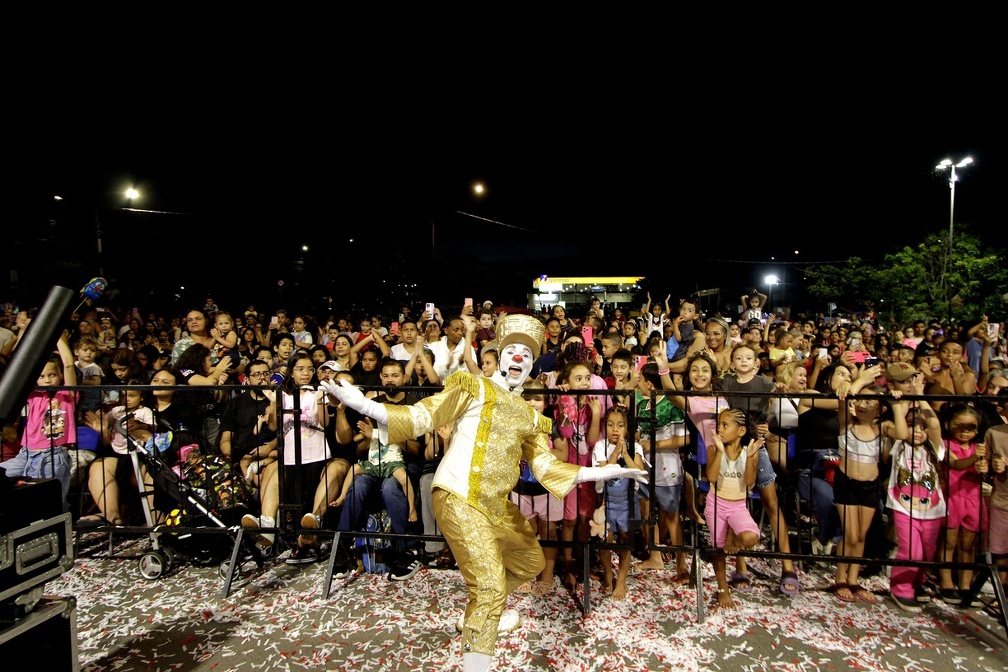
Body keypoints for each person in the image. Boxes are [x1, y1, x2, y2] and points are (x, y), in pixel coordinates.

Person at [320, 314, 645, 672]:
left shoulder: (532, 417)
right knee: (491, 588)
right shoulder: (472, 386)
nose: (519, 358)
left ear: (533, 363)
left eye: (526, 353)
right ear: (501, 358)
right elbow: (422, 416)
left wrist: (602, 470)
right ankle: (479, 647)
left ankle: (478, 609)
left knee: (530, 562)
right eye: (512, 351)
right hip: (458, 494)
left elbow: (547, 468)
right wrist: (363, 404)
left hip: (494, 507)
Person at [242, 351, 331, 563]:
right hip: (291, 454)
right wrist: (273, 403)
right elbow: (273, 426)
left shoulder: (317, 392)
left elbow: (325, 423)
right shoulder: (282, 394)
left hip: (315, 452)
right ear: (291, 371)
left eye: (310, 369)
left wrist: (320, 401)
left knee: (309, 501)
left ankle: (309, 543)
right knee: (294, 498)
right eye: (300, 369)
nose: (306, 373)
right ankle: (271, 528)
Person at [831, 368, 907, 605]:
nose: (862, 404)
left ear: (880, 408)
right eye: (860, 399)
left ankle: (854, 579)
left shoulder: (881, 428)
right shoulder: (846, 424)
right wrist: (860, 381)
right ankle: (840, 577)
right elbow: (844, 399)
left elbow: (903, 433)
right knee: (850, 533)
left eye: (868, 401)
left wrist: (895, 404)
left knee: (861, 535)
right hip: (847, 483)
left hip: (870, 486)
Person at [331, 358, 421, 523]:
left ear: (404, 378)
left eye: (394, 375)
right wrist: (367, 438)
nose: (390, 380)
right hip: (373, 462)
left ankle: (404, 544)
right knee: (358, 484)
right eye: (386, 376)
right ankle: (345, 537)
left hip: (403, 464)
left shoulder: (414, 406)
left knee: (389, 488)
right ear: (380, 377)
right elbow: (361, 450)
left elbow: (417, 450)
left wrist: (389, 432)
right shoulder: (372, 405)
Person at [0, 330, 78, 510]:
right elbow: (20, 369)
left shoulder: (66, 394)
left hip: (51, 455)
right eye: (42, 376)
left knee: (50, 501)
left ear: (59, 376)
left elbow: (68, 365)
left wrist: (56, 333)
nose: (48, 380)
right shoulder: (32, 395)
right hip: (25, 454)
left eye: (52, 375)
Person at [881, 396, 945, 613]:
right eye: (912, 426)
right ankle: (901, 586)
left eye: (922, 427)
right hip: (903, 507)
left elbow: (935, 424)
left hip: (932, 510)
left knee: (927, 552)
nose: (918, 431)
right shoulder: (898, 444)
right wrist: (904, 401)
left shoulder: (934, 448)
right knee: (910, 551)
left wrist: (921, 396)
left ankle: (918, 581)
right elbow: (898, 426)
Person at [633, 363, 690, 581]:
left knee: (672, 515)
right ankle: (654, 555)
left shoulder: (672, 405)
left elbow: (684, 438)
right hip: (645, 467)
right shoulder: (641, 406)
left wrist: (654, 444)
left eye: (639, 379)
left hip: (668, 468)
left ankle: (681, 563)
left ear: (649, 383)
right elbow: (639, 434)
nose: (637, 383)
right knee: (647, 512)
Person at [706, 407, 765, 610]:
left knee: (749, 538)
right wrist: (720, 452)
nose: (720, 429)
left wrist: (750, 458)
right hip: (716, 503)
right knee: (718, 548)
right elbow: (712, 478)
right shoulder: (713, 448)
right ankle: (723, 588)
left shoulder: (749, 452)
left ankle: (733, 530)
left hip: (738, 505)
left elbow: (749, 482)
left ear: (741, 431)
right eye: (719, 425)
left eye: (725, 425)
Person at [509, 379, 563, 593]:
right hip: (522, 488)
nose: (532, 403)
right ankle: (528, 570)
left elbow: (563, 453)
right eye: (528, 398)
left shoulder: (551, 424)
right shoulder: (514, 424)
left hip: (547, 489)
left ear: (546, 402)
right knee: (527, 532)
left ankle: (548, 573)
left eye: (537, 399)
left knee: (549, 531)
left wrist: (538, 452)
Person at [79, 381, 155, 526]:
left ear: (142, 397)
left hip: (138, 453)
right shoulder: (117, 411)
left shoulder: (144, 411)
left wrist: (138, 425)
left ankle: (153, 522)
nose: (127, 399)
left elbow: (152, 428)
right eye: (123, 396)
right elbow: (106, 428)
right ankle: (111, 516)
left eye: (132, 395)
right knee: (100, 466)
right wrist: (103, 427)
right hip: (116, 451)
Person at [936, 403, 989, 605]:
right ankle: (946, 583)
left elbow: (985, 471)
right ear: (949, 424)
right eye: (960, 426)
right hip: (952, 496)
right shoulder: (946, 445)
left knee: (968, 546)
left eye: (971, 427)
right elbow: (956, 464)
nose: (966, 432)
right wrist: (976, 458)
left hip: (973, 499)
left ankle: (966, 585)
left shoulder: (979, 448)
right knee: (949, 542)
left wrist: (986, 465)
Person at [593, 404, 645, 600]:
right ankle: (608, 574)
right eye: (611, 425)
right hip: (606, 502)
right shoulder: (601, 446)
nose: (615, 430)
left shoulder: (635, 447)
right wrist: (614, 453)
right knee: (605, 539)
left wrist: (625, 454)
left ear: (627, 428)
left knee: (625, 539)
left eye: (621, 425)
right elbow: (604, 472)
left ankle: (621, 580)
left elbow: (638, 472)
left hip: (627, 502)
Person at [218, 359, 278, 488]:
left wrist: (269, 447)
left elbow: (288, 431)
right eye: (256, 374)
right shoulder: (236, 402)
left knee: (264, 477)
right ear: (247, 379)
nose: (262, 377)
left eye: (266, 373)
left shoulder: (279, 400)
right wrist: (227, 458)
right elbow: (226, 435)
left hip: (270, 453)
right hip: (242, 455)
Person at [983, 422, 1008, 619]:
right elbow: (985, 465)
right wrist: (992, 466)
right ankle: (1002, 597)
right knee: (1000, 550)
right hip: (1003, 500)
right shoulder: (994, 433)